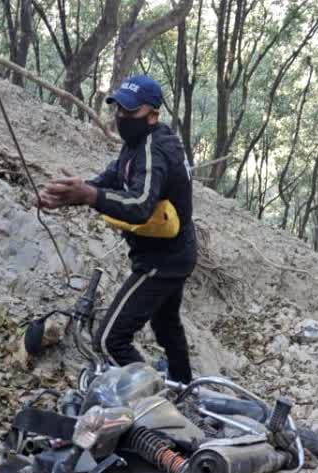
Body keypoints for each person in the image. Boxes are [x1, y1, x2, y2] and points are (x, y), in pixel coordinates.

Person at [38, 74, 198, 384]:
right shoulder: (136, 145)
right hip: (171, 253)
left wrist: (89, 195)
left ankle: (153, 399)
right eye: (118, 110)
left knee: (110, 339)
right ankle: (183, 389)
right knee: (166, 327)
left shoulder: (156, 149)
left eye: (130, 111)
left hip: (163, 261)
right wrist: (70, 195)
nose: (122, 117)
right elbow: (111, 179)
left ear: (153, 114)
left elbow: (139, 204)